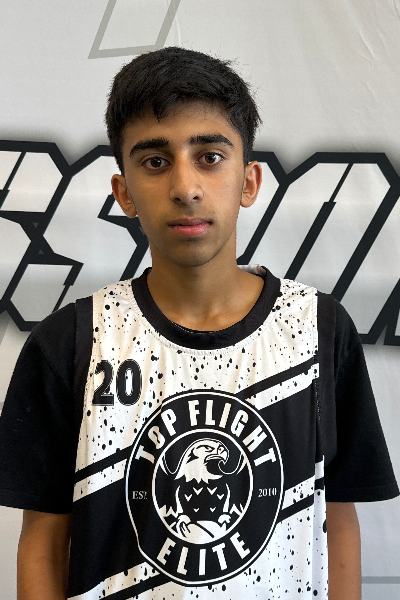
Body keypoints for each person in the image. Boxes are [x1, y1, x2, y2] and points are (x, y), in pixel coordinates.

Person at [0, 47, 398, 600]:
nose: (185, 187)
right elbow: (43, 544)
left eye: (209, 156)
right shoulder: (69, 342)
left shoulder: (318, 329)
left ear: (249, 182)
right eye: (155, 161)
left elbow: (338, 521)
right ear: (123, 193)